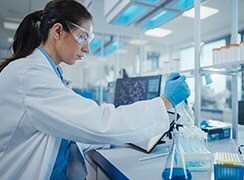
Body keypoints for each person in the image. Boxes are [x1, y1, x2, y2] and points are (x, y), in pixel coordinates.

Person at [0, 0, 190, 179]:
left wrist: (114, 138)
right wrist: (166, 101)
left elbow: (67, 128)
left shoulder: (45, 73)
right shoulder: (31, 75)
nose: (87, 48)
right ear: (57, 31)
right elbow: (99, 123)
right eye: (83, 36)